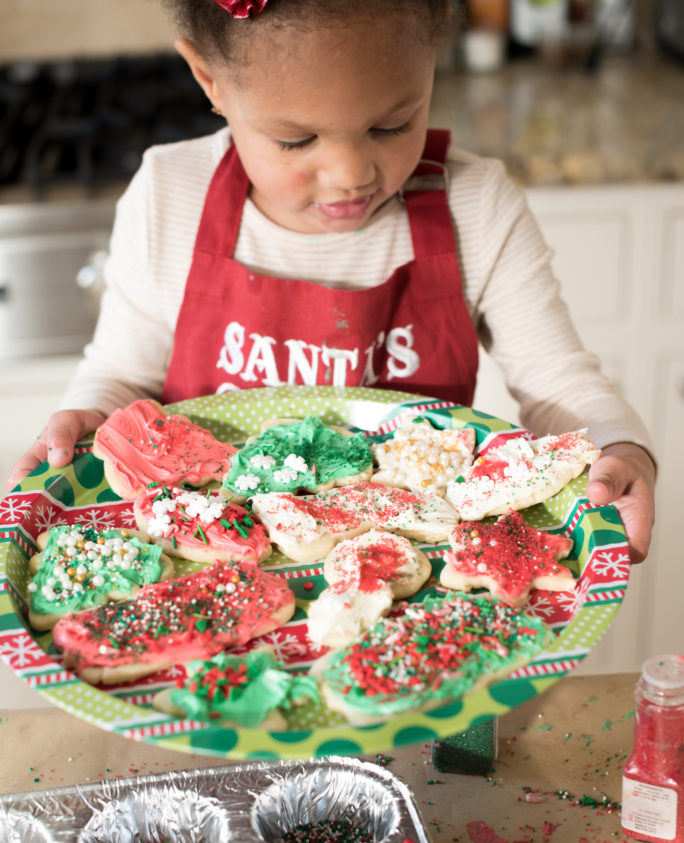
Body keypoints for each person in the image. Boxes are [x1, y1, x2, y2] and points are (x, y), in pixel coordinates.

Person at [7, 0, 655, 562]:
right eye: (295, 140)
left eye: (391, 125)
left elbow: (560, 384)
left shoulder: (475, 206)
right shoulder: (169, 197)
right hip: (208, 564)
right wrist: (87, 417)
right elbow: (122, 379)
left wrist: (622, 451)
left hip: (421, 574)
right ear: (211, 80)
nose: (350, 174)